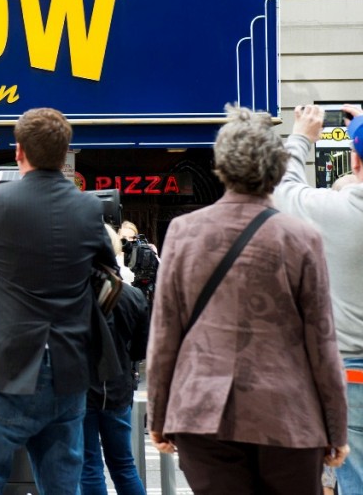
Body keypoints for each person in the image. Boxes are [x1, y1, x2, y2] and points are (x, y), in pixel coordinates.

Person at [148, 105, 349, 494]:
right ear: (275, 168)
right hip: (288, 413)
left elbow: (165, 334)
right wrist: (336, 426)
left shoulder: (183, 233)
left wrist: (158, 414)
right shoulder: (301, 237)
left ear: (222, 166)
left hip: (202, 411)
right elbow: (322, 341)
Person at [0, 107, 117, 495]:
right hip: (67, 366)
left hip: (0, 362)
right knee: (62, 486)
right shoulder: (89, 207)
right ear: (65, 153)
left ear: (19, 150)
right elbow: (106, 272)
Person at [273, 104, 363, 495]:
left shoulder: (332, 210)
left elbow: (281, 185)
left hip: (359, 373)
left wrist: (302, 135)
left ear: (354, 160)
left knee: (360, 486)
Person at [82, 259, 149, 495]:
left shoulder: (76, 293)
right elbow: (141, 348)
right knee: (123, 465)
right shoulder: (133, 295)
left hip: (83, 385)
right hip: (119, 385)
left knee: (89, 466)